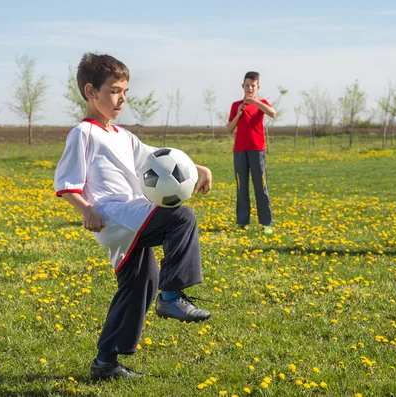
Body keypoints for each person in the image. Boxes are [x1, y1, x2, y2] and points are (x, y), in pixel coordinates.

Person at [54, 53, 212, 381]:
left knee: (141, 281)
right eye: (114, 90)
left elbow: (155, 157)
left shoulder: (122, 135)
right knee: (180, 218)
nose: (121, 97)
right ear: (90, 91)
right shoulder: (83, 133)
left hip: (131, 215)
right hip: (113, 214)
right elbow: (66, 183)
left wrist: (194, 167)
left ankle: (105, 364)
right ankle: (171, 297)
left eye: (125, 91)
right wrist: (85, 209)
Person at [227, 71, 276, 233]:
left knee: (260, 186)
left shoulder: (261, 103)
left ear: (258, 87)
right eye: (247, 85)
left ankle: (266, 223)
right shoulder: (236, 105)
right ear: (242, 86)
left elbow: (272, 113)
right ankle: (242, 222)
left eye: (253, 86)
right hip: (239, 150)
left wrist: (255, 102)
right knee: (242, 187)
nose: (249, 88)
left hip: (257, 150)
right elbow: (229, 129)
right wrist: (239, 113)